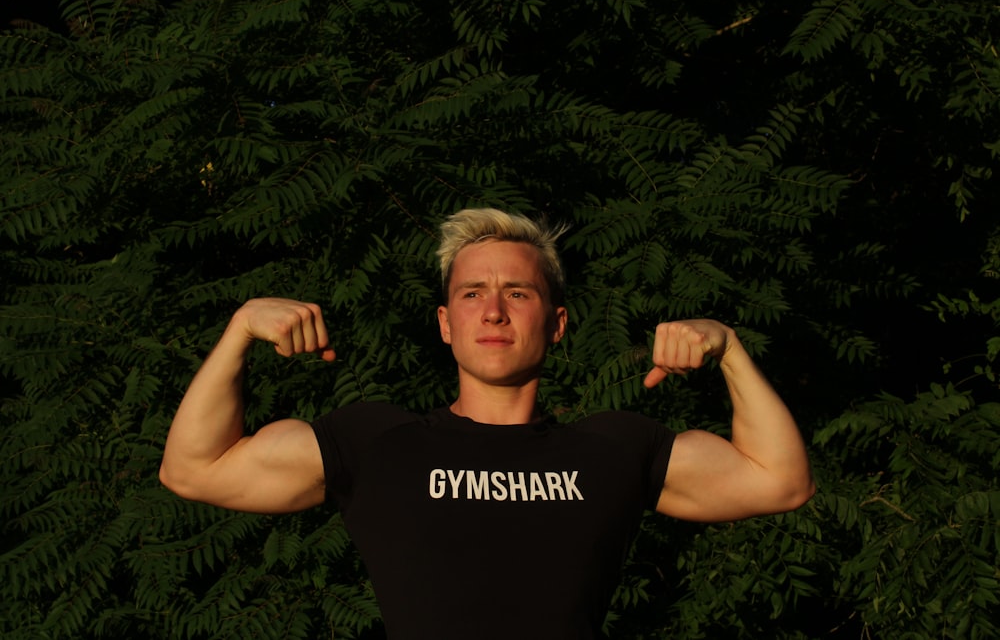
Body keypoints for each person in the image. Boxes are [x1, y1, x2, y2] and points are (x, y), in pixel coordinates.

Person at [160, 208, 814, 639]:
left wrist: (729, 348)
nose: (493, 311)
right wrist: (240, 328)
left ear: (556, 324)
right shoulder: (377, 444)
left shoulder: (612, 450)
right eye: (472, 293)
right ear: (446, 324)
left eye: (518, 293)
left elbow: (779, 480)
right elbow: (194, 467)